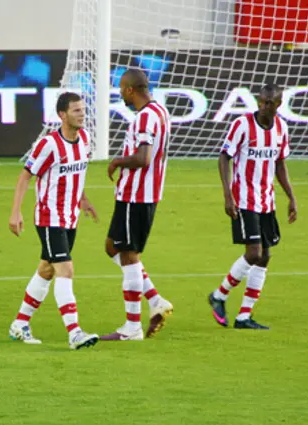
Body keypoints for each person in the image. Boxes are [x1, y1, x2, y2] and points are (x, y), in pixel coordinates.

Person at [8, 92, 99, 350]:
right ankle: (74, 332)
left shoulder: (84, 139)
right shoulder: (49, 145)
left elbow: (76, 175)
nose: (82, 114)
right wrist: (15, 212)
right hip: (50, 218)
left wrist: (83, 199)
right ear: (62, 115)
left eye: (83, 110)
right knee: (65, 269)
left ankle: (20, 323)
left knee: (47, 269)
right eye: (76, 111)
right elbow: (25, 176)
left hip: (71, 217)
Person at [208, 83, 297, 330]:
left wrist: (291, 197)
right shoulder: (242, 125)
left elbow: (280, 164)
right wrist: (227, 195)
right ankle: (219, 295)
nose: (264, 106)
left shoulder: (281, 128)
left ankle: (244, 316)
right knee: (254, 253)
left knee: (265, 256)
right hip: (244, 199)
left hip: (266, 201)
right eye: (262, 101)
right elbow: (224, 156)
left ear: (279, 104)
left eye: (270, 102)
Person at [101, 68, 174, 341]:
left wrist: (118, 161)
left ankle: (131, 328)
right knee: (112, 247)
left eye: (121, 89)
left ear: (131, 90)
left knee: (130, 256)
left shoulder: (144, 118)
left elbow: (143, 159)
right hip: (139, 195)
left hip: (137, 195)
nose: (121, 94)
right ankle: (155, 300)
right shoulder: (161, 112)